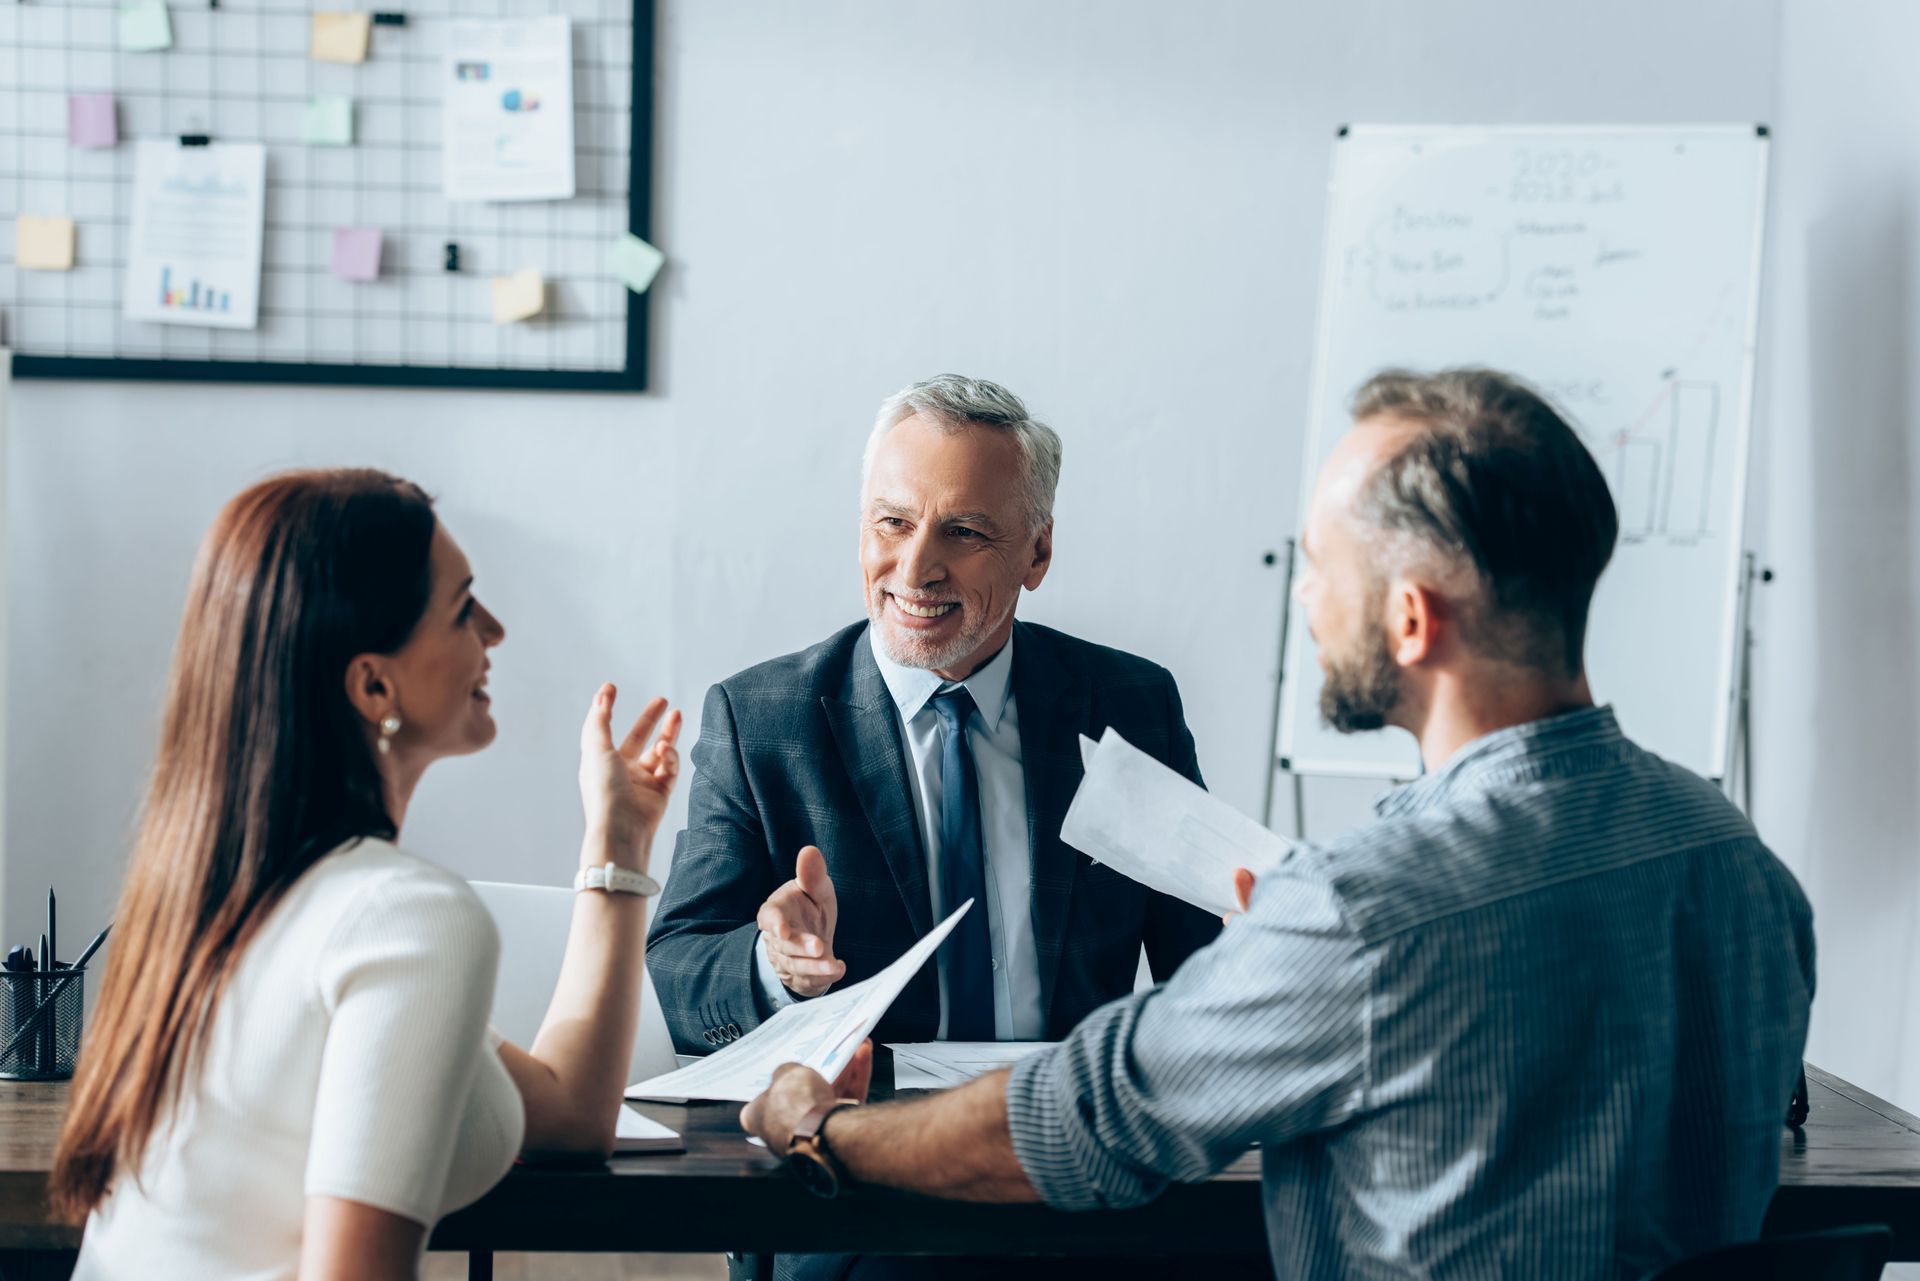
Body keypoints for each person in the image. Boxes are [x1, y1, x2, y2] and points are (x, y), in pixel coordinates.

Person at [741, 368, 1816, 1280]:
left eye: (1318, 566)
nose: (1303, 601)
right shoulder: (1741, 865)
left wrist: (822, 1126)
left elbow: (1076, 1127)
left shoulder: (1358, 909)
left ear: (1409, 619)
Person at [53, 470, 682, 1281]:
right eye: (462, 608)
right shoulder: (404, 917)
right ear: (374, 683)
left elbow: (565, 1113)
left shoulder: (232, 904)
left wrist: (619, 840)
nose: (494, 630)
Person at [647, 375, 1220, 1056]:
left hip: (1066, 1127)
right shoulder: (760, 722)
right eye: (893, 522)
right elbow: (676, 978)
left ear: (1037, 552)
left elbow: (1207, 968)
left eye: (964, 531)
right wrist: (771, 967)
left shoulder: (1130, 706)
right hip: (860, 1131)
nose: (916, 569)